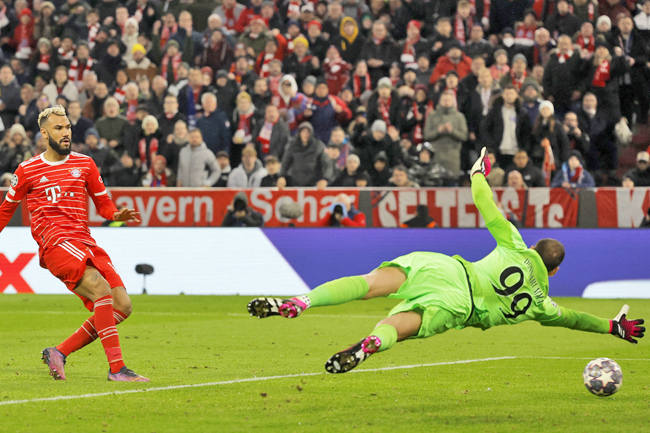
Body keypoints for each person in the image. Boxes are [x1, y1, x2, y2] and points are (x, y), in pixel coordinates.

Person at [246, 148, 647, 372]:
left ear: (533, 251)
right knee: (393, 327)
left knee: (369, 283)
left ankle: (302, 302)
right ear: (555, 270)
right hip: (459, 307)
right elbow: (577, 320)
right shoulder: (543, 304)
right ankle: (370, 344)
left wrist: (478, 172)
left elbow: (484, 201)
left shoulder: (514, 244)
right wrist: (611, 327)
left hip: (447, 267)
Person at [0, 106, 148, 382]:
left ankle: (59, 352)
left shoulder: (85, 164)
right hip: (56, 244)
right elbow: (5, 210)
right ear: (44, 133)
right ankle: (117, 369)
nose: (66, 133)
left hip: (85, 241)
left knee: (122, 305)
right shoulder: (27, 170)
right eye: (59, 128)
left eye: (68, 127)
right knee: (102, 292)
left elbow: (103, 204)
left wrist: (115, 215)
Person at [423, 91, 468, 176]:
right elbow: (427, 135)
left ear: (453, 102)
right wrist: (438, 131)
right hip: (436, 157)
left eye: (448, 100)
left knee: (452, 183)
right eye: (444, 100)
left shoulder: (459, 117)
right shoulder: (432, 116)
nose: (446, 102)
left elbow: (464, 136)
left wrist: (452, 131)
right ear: (440, 101)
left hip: (453, 157)